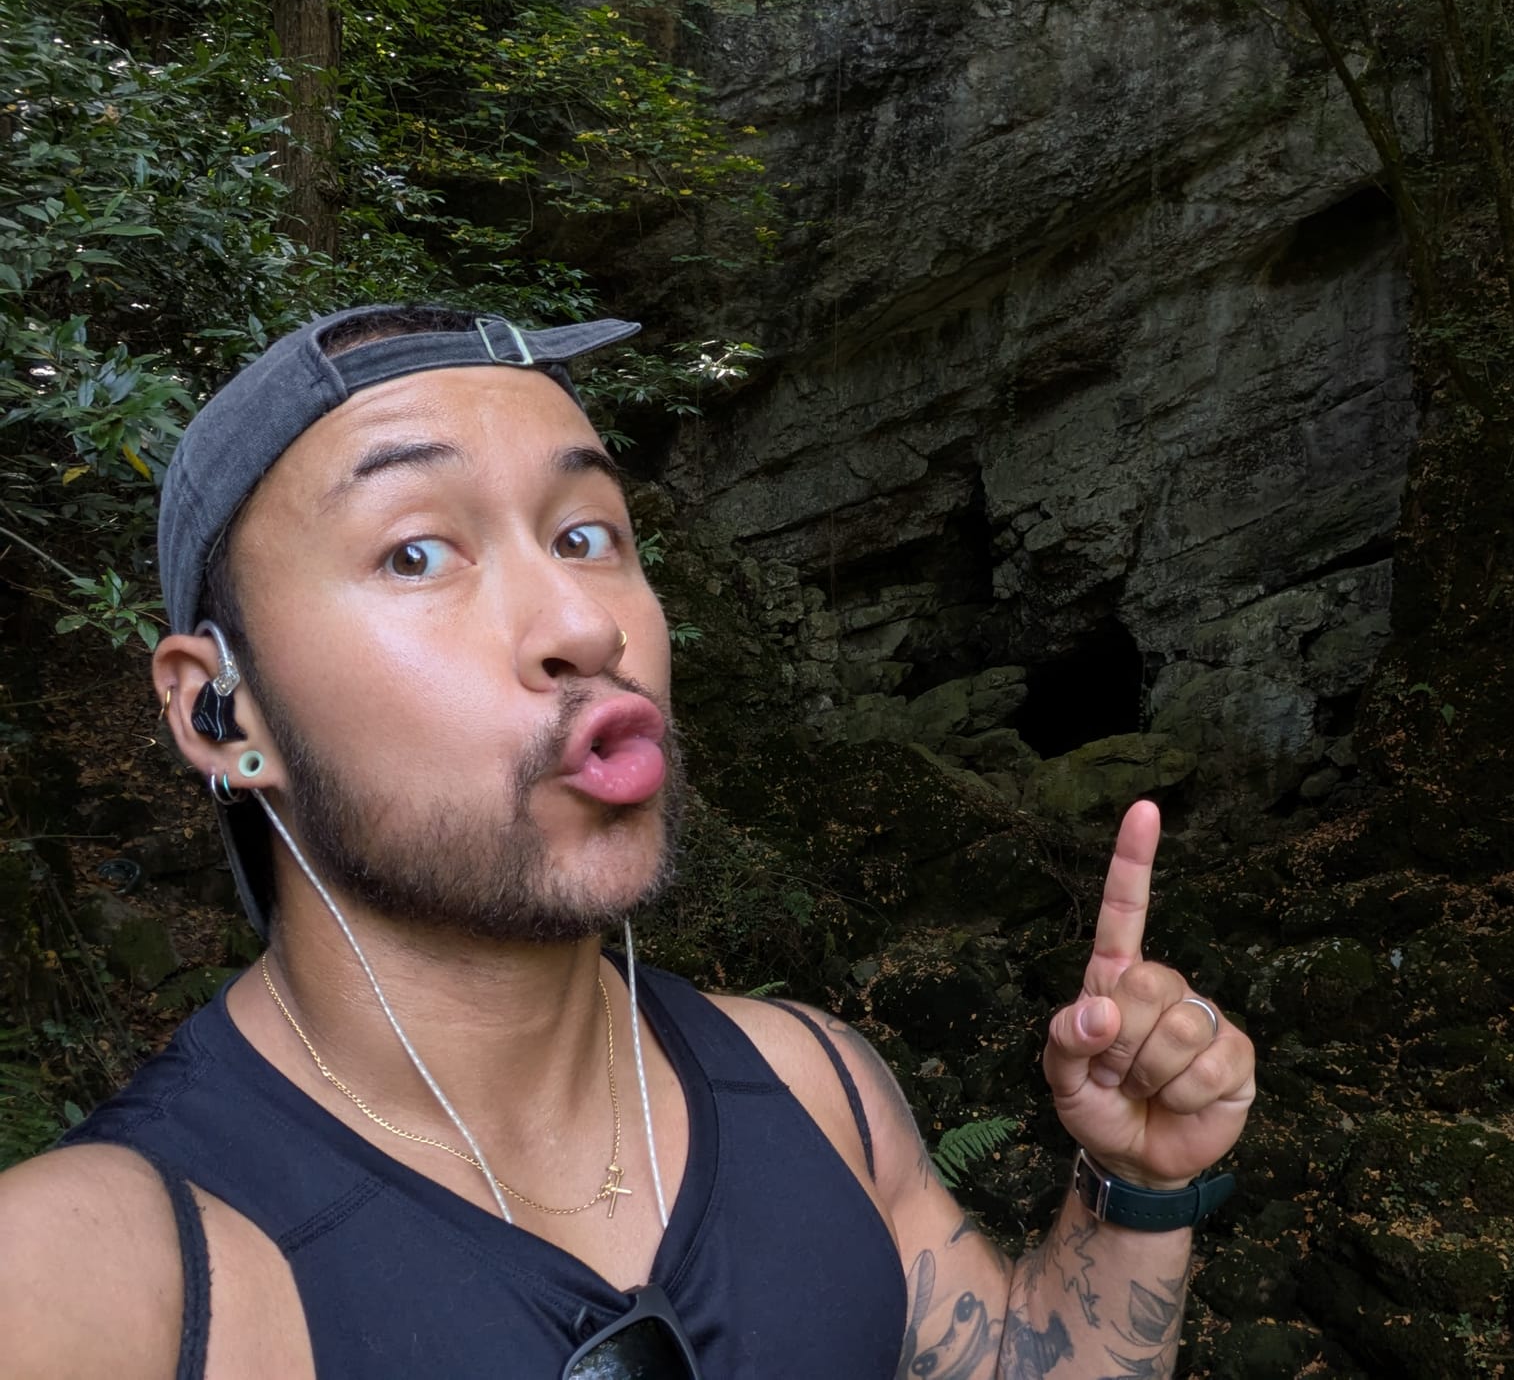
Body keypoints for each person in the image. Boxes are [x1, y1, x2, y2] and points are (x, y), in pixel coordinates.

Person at [0, 305, 1256, 1379]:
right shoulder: (98, 1278)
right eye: (417, 548)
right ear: (223, 711)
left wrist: (1136, 1188)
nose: (580, 622)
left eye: (586, 533)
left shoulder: (816, 1084)